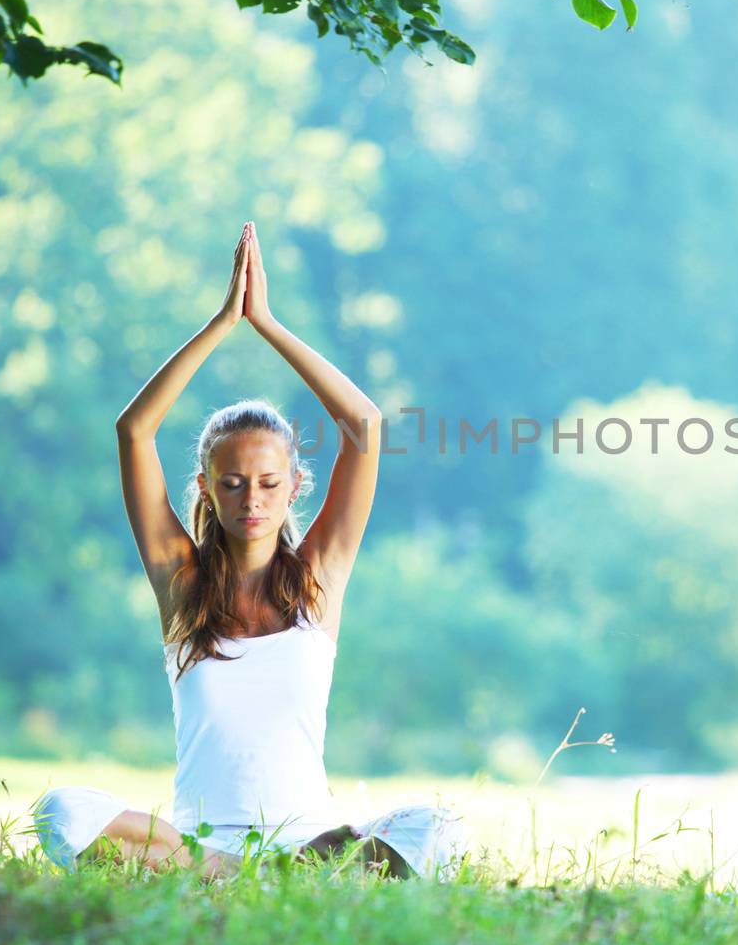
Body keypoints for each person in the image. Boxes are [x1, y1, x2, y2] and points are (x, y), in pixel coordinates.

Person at [32, 221, 468, 881]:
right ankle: (236, 875)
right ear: (206, 485)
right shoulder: (180, 581)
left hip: (309, 842)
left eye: (268, 483)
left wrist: (266, 322)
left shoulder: (319, 578)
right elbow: (134, 430)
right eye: (232, 483)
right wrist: (220, 323)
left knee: (436, 828)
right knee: (61, 810)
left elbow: (366, 426)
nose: (251, 498)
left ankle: (273, 875)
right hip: (197, 844)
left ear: (294, 485)